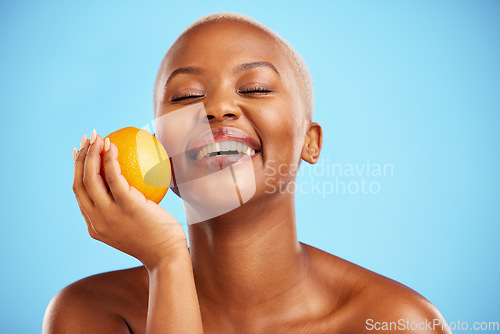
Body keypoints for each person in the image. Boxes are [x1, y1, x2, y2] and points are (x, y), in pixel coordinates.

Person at [43, 12, 451, 333]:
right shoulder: (90, 314)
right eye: (186, 96)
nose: (216, 107)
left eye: (255, 88)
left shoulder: (394, 321)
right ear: (159, 147)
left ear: (311, 142)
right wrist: (166, 263)